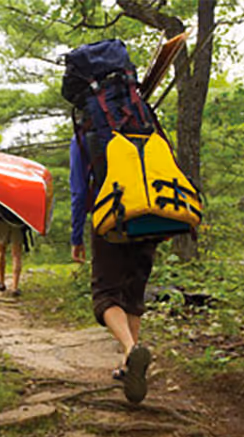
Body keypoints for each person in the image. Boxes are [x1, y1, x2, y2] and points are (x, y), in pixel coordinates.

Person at [70, 135, 157, 404]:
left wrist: (76, 236)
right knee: (134, 292)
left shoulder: (86, 133)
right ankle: (128, 365)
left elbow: (79, 191)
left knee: (106, 293)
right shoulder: (143, 125)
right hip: (149, 213)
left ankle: (131, 351)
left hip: (110, 214)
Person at [0, 202, 31, 297]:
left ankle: (1, 282)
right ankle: (15, 287)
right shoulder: (24, 188)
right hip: (18, 222)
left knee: (1, 251)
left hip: (1, 220)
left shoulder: (0, 187)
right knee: (16, 255)